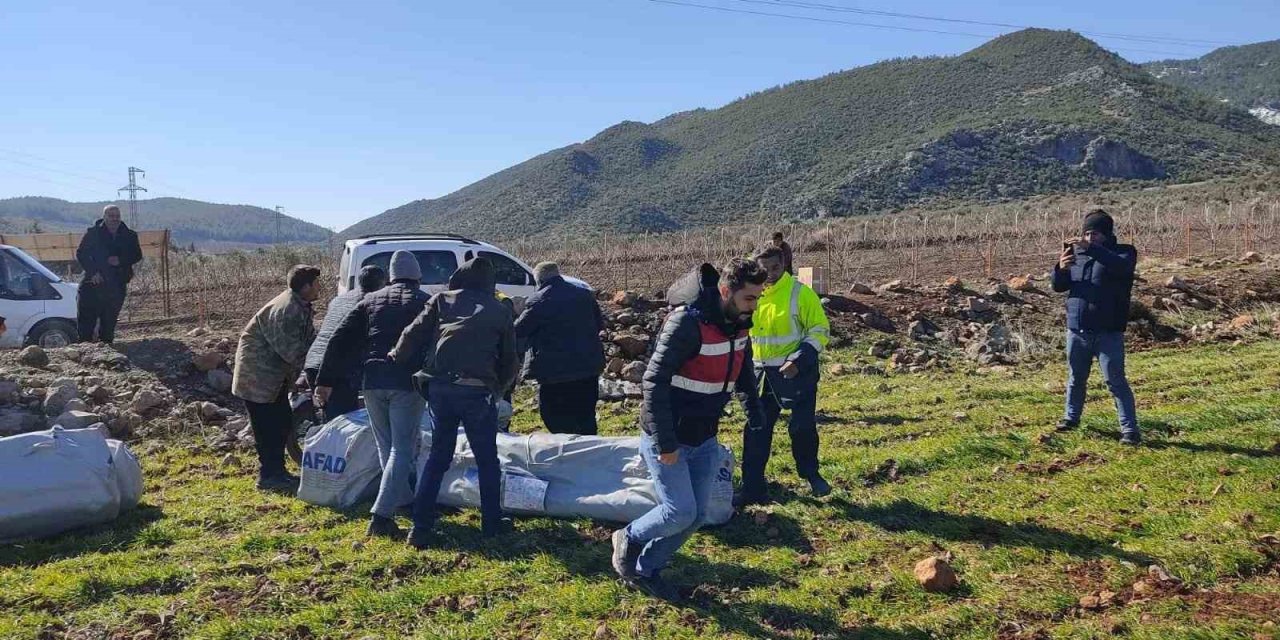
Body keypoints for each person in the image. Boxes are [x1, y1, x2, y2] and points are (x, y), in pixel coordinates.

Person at [610, 259, 766, 601]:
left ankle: (647, 568)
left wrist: (754, 411)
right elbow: (653, 381)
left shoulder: (740, 326)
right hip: (668, 434)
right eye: (750, 298)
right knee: (678, 511)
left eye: (758, 297)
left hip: (705, 435)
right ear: (726, 292)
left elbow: (741, 373)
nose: (755, 305)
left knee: (696, 516)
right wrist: (666, 443)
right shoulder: (686, 323)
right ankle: (630, 538)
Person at [390, 257, 518, 548]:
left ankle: (420, 528)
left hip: (440, 389)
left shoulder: (441, 300)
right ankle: (492, 525)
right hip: (476, 392)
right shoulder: (499, 310)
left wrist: (396, 355)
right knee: (487, 460)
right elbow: (510, 361)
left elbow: (412, 333)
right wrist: (498, 390)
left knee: (438, 457)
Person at [315, 251, 429, 538]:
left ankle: (401, 500)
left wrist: (324, 380)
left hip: (371, 381)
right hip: (406, 382)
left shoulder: (369, 301)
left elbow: (339, 339)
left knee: (385, 446)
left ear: (391, 276)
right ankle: (381, 516)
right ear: (418, 276)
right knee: (403, 448)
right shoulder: (426, 301)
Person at [739, 245, 832, 506]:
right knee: (757, 430)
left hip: (797, 373)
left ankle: (811, 474)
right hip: (761, 376)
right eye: (763, 269)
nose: (770, 274)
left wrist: (799, 359)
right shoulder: (751, 296)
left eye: (775, 268)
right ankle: (752, 488)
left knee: (802, 428)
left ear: (784, 265)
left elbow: (819, 329)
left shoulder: (800, 293)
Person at [1052, 209, 1141, 445]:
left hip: (1108, 331)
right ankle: (1071, 418)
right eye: (1087, 233)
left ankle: (1130, 430)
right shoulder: (1076, 255)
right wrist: (1060, 269)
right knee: (1076, 377)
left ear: (1107, 234)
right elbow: (1059, 287)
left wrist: (1091, 249)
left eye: (1095, 234)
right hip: (1077, 329)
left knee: (1115, 381)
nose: (1090, 238)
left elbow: (1121, 268)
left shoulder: (1124, 253)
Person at [232, 265, 321, 492]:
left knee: (281, 422)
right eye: (316, 283)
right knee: (267, 426)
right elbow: (291, 351)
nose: (320, 287)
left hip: (273, 377)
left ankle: (277, 472)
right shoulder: (286, 310)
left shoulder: (301, 306)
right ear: (306, 286)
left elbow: (310, 340)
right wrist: (312, 371)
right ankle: (268, 476)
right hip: (257, 376)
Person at [514, 262, 606, 435]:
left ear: (538, 280)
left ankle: (566, 453)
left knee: (553, 416)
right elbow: (599, 325)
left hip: (556, 372)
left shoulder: (539, 300)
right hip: (588, 367)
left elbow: (519, 330)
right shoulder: (584, 295)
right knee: (585, 416)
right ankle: (590, 454)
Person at [303, 265, 387, 421]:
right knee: (342, 424)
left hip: (314, 362)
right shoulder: (368, 304)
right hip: (332, 370)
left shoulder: (340, 299)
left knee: (332, 421)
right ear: (381, 285)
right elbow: (339, 342)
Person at [75, 205, 142, 344]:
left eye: (117, 216)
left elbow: (137, 255)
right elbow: (81, 253)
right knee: (86, 324)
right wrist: (93, 272)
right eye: (111, 216)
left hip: (116, 285)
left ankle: (107, 356)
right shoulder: (93, 233)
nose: (114, 219)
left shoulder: (129, 235)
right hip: (93, 284)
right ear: (104, 217)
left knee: (109, 324)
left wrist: (121, 260)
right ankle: (85, 354)